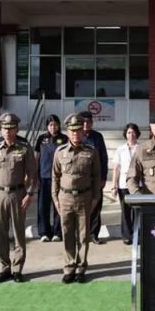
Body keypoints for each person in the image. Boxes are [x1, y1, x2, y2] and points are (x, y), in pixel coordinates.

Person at [0, 113, 36, 283]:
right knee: (1, 233)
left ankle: (17, 269)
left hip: (18, 194)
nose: (7, 131)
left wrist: (29, 194)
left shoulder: (24, 147)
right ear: (1, 129)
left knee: (19, 233)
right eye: (4, 128)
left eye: (11, 128)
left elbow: (32, 174)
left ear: (17, 129)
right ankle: (5, 267)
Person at [52, 113, 102, 284]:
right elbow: (55, 176)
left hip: (84, 197)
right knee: (67, 233)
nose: (75, 134)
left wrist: (95, 197)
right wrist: (55, 198)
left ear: (83, 131)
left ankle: (81, 267)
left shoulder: (91, 151)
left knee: (83, 234)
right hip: (65, 197)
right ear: (68, 132)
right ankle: (69, 267)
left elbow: (97, 175)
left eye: (78, 130)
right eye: (72, 131)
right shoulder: (60, 152)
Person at [34, 114, 68, 243]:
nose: (53, 127)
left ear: (59, 125)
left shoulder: (64, 139)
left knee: (58, 205)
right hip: (44, 177)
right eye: (50, 125)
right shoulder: (41, 139)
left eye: (55, 125)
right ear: (47, 126)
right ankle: (44, 232)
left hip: (59, 178)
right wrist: (36, 176)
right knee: (43, 206)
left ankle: (57, 232)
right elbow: (36, 158)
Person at [79, 111, 108, 244]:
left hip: (96, 178)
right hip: (81, 179)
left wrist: (103, 177)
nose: (86, 124)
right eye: (84, 122)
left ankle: (93, 234)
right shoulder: (77, 136)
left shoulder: (98, 137)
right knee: (81, 207)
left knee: (96, 206)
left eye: (89, 122)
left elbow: (104, 157)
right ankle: (82, 234)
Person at [112, 123, 141, 245]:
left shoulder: (141, 148)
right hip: (123, 184)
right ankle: (127, 236)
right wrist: (114, 186)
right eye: (129, 132)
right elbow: (116, 168)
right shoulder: (120, 149)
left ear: (137, 134)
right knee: (125, 211)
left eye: (133, 132)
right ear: (125, 134)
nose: (131, 135)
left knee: (137, 211)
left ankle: (137, 235)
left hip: (137, 184)